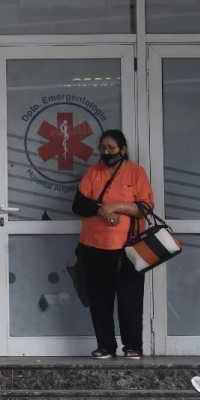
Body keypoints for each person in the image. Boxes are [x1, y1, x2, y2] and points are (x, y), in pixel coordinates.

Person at [72, 130, 154, 359]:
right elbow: (79, 205)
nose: (106, 152)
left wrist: (116, 206)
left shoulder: (136, 173)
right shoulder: (93, 172)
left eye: (111, 148)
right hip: (94, 246)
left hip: (130, 247)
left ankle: (133, 346)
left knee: (130, 298)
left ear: (123, 150)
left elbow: (145, 207)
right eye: (103, 148)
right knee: (100, 299)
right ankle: (105, 345)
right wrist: (104, 210)